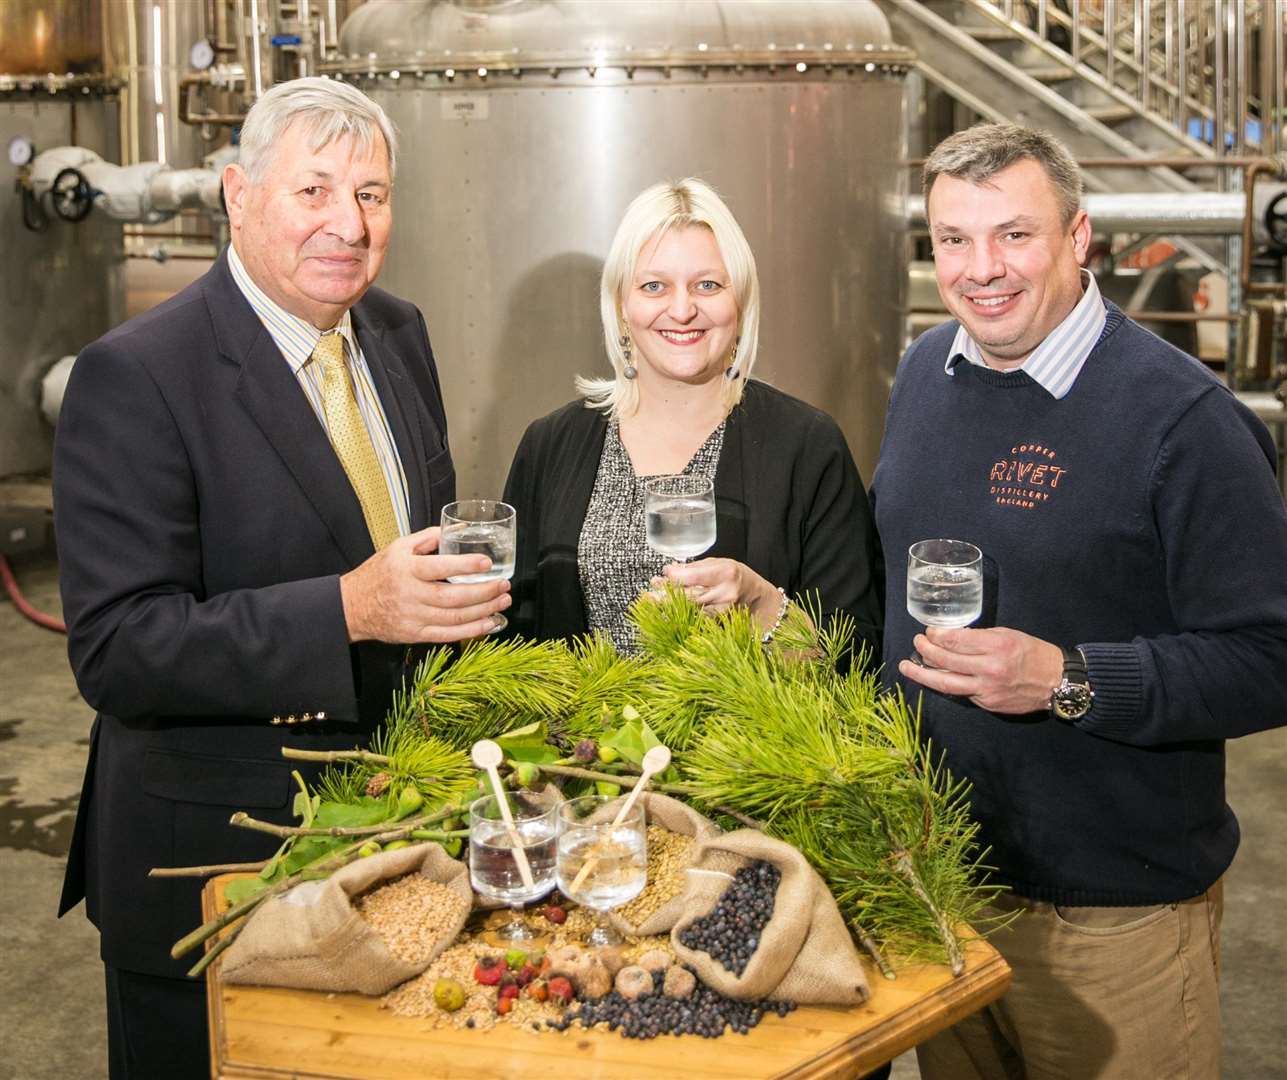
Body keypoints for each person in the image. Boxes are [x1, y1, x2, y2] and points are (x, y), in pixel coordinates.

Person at [53, 77, 510, 1078]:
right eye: (314, 191)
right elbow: (120, 649)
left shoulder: (396, 332)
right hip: (218, 867)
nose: (348, 223)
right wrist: (350, 610)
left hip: (391, 848)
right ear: (236, 192)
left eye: (374, 194)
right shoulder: (139, 374)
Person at [872, 122, 1287, 1079]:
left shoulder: (1182, 419)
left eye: (1014, 235)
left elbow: (1269, 655)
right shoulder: (923, 374)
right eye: (953, 241)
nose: (982, 269)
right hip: (945, 886)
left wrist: (1068, 676)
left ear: (1079, 238)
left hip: (1113, 916)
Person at [502, 177, 882, 657]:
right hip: (577, 733)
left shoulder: (807, 446)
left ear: (739, 303)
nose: (682, 310)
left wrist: (762, 605)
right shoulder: (550, 444)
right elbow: (510, 639)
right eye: (654, 285)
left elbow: (858, 654)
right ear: (622, 306)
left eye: (707, 284)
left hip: (748, 734)